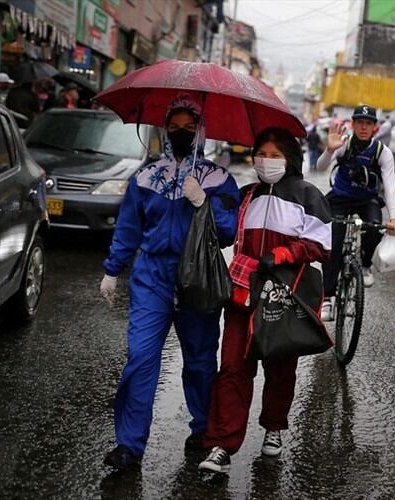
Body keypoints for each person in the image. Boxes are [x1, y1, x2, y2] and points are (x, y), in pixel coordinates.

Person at [98, 93, 241, 470]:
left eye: (188, 128)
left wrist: (202, 203)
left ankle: (203, 430)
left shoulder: (219, 179)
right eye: (173, 127)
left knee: (199, 361)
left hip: (198, 278)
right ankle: (129, 445)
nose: (179, 133)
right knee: (141, 358)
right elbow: (129, 227)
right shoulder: (145, 177)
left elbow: (229, 231)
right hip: (152, 279)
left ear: (201, 132)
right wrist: (114, 269)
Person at [198, 127, 332, 474]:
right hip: (243, 292)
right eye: (262, 154)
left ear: (289, 159)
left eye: (275, 155)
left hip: (283, 296)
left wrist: (285, 253)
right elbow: (223, 230)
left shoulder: (308, 195)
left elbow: (321, 244)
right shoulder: (246, 196)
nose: (266, 161)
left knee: (280, 368)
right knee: (232, 368)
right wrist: (203, 200)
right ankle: (222, 444)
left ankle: (274, 427)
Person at [316, 105, 395, 321]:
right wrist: (329, 150)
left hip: (366, 200)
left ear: (375, 127)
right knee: (332, 243)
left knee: (375, 227)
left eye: (368, 123)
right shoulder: (344, 144)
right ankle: (327, 297)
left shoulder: (383, 152)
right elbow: (320, 168)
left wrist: (394, 218)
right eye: (360, 122)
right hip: (340, 198)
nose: (363, 127)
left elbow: (390, 187)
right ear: (352, 124)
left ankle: (364, 265)